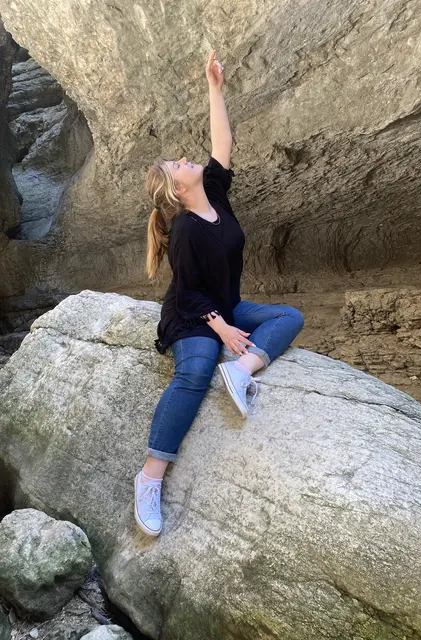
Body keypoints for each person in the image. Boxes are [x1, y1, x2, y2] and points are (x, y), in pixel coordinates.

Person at [134, 49, 304, 537]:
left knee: (289, 317)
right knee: (194, 372)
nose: (185, 158)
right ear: (177, 190)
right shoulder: (186, 231)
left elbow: (223, 142)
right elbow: (188, 293)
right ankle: (150, 478)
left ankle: (242, 371)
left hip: (226, 306)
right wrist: (223, 329)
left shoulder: (214, 192)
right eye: (177, 164)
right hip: (191, 317)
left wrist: (214, 86)